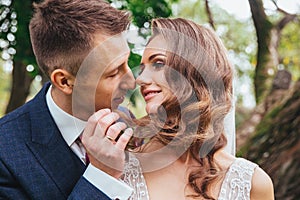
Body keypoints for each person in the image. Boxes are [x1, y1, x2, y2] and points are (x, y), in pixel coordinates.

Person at [120, 18, 274, 199]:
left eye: (158, 63)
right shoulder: (120, 170)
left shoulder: (252, 184)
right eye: (143, 68)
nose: (140, 79)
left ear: (194, 71)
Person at [0, 0, 136, 199]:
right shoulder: (5, 153)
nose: (131, 82)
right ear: (64, 81)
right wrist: (102, 177)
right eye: (114, 73)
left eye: (127, 63)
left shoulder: (124, 120)